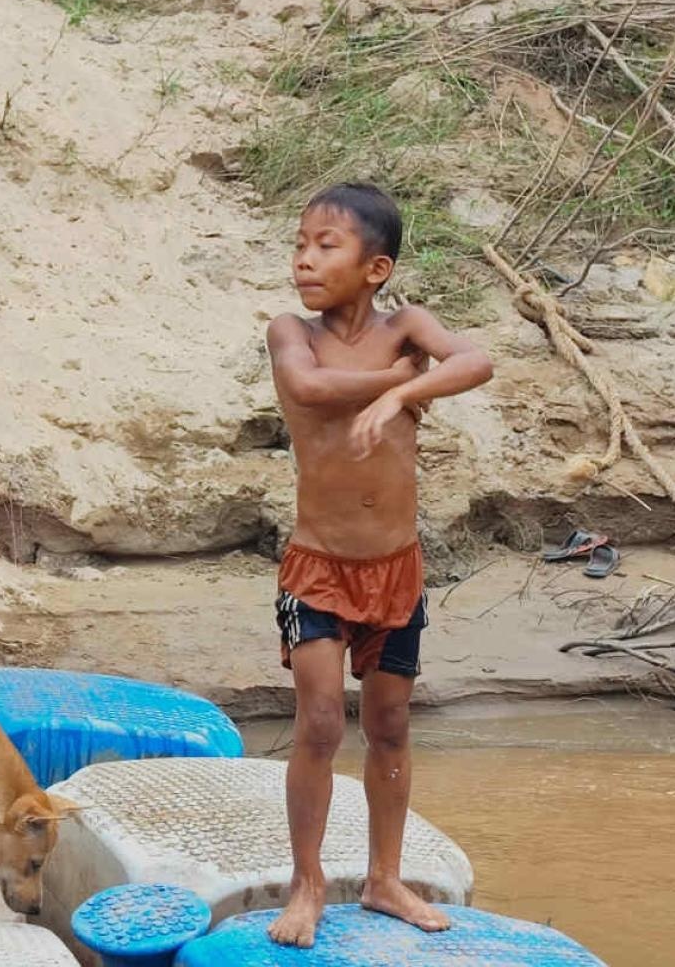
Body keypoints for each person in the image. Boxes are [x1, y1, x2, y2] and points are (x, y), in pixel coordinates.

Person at [264, 182, 493, 948]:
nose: (303, 259)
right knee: (321, 721)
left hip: (395, 569)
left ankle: (386, 879)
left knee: (390, 725)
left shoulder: (408, 329)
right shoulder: (292, 332)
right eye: (299, 243)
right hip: (318, 566)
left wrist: (403, 395)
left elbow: (477, 359)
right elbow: (310, 387)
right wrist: (399, 384)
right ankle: (308, 883)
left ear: (376, 267)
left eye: (325, 245)